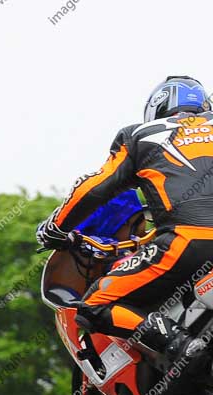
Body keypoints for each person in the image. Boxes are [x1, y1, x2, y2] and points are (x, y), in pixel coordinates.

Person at [37, 76, 213, 369]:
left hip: (188, 242)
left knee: (95, 304)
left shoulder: (142, 135)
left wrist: (56, 227)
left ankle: (181, 345)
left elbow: (93, 189)